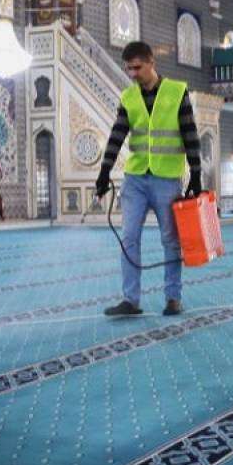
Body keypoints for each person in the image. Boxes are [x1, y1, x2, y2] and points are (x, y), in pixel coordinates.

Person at [95, 41, 203, 317]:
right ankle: (130, 300)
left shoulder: (176, 91)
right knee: (129, 237)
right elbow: (117, 135)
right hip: (135, 179)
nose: (133, 74)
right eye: (129, 69)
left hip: (167, 179)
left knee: (170, 240)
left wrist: (196, 173)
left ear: (151, 62)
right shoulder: (128, 97)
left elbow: (190, 134)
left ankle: (173, 298)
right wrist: (104, 171)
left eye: (137, 68)